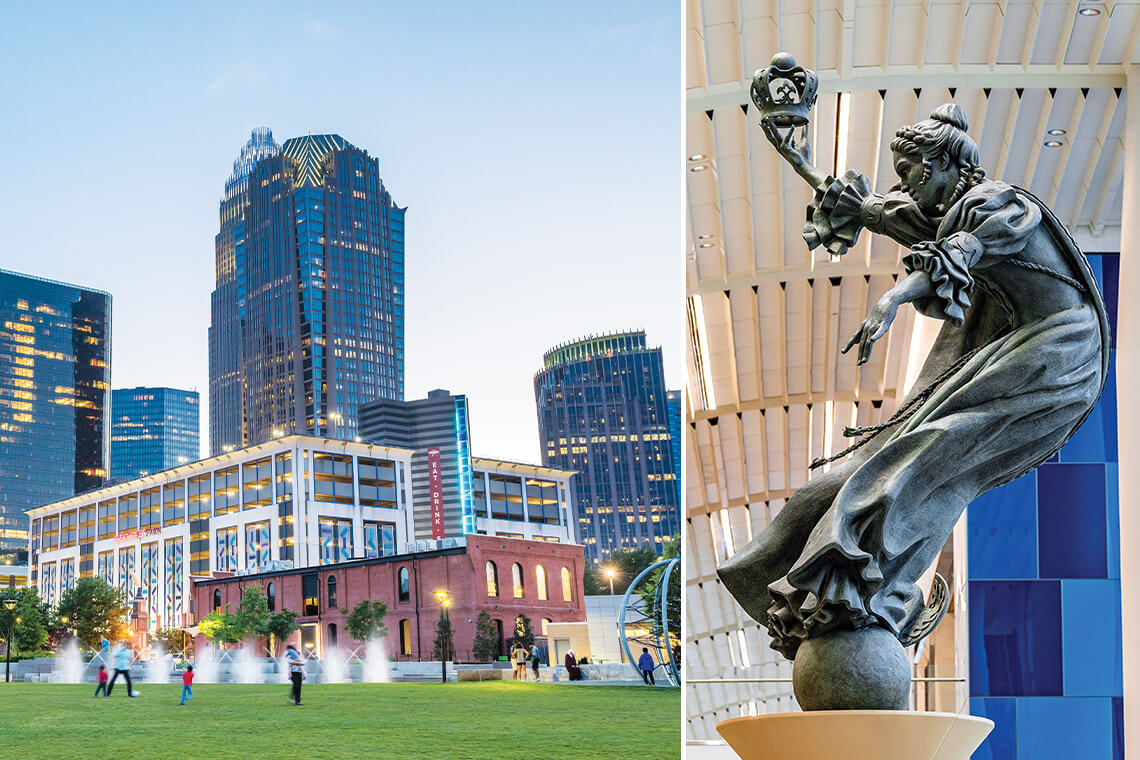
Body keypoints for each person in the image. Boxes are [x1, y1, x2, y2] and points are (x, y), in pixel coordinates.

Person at [721, 102, 1109, 663]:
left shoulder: (1001, 205)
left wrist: (892, 298)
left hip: (1059, 350)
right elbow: (878, 212)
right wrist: (801, 162)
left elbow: (964, 249)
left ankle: (863, 576)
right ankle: (848, 581)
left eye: (910, 170)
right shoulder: (950, 212)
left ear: (944, 164)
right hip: (1014, 346)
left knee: (932, 452)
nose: (903, 182)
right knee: (901, 461)